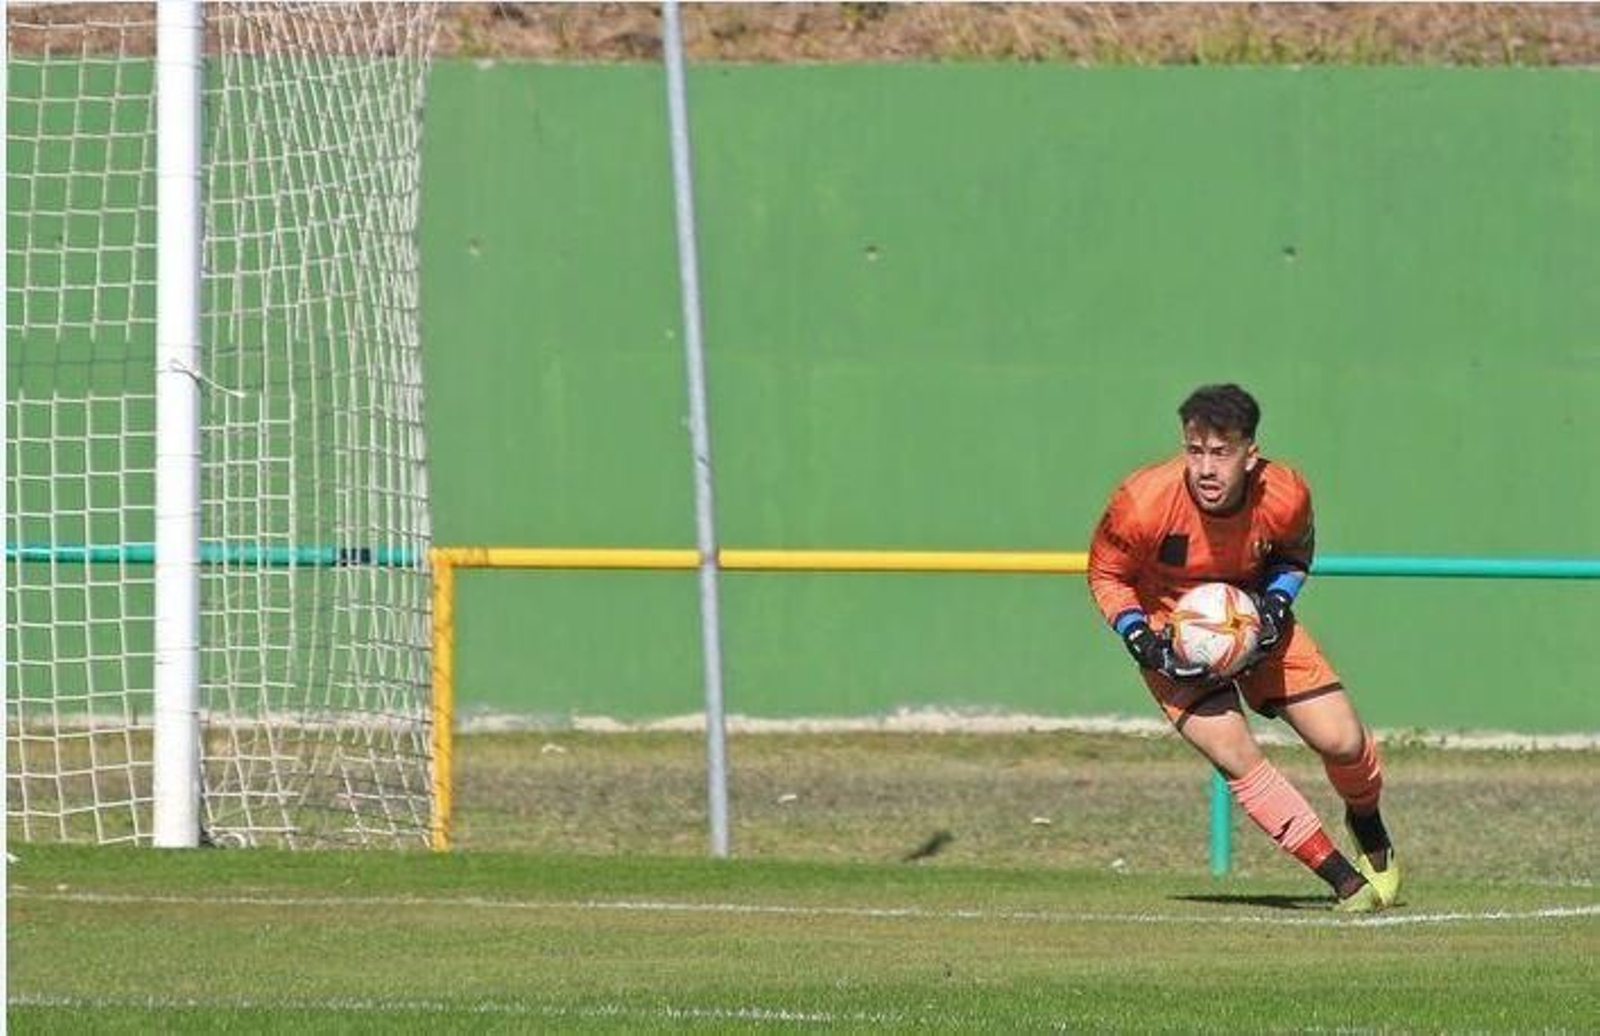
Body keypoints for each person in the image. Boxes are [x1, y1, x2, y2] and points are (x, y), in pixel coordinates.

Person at [1087, 383, 1400, 912]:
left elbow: (1294, 554)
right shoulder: (1142, 501)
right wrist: (1139, 636)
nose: (1206, 468)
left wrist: (1276, 603)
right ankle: (1346, 883)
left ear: (1250, 454)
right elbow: (1107, 574)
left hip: (1256, 622)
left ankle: (1366, 819)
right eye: (1195, 450)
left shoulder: (1285, 493)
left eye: (1221, 452)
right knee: (1237, 755)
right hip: (1172, 636)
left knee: (1343, 741)